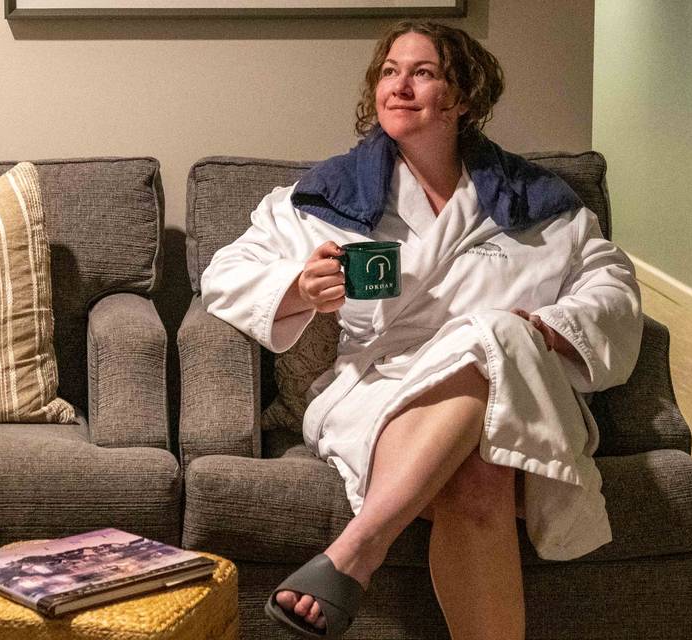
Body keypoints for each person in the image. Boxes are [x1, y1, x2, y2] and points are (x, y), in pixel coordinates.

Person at [200, 20, 643, 640]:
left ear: (462, 98)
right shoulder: (332, 196)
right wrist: (300, 287)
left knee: (492, 340)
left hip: (516, 389)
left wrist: (542, 331)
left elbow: (613, 290)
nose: (399, 87)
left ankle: (356, 549)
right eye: (389, 72)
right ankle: (361, 550)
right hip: (381, 388)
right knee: (479, 476)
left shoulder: (537, 202)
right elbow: (225, 272)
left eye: (423, 73)